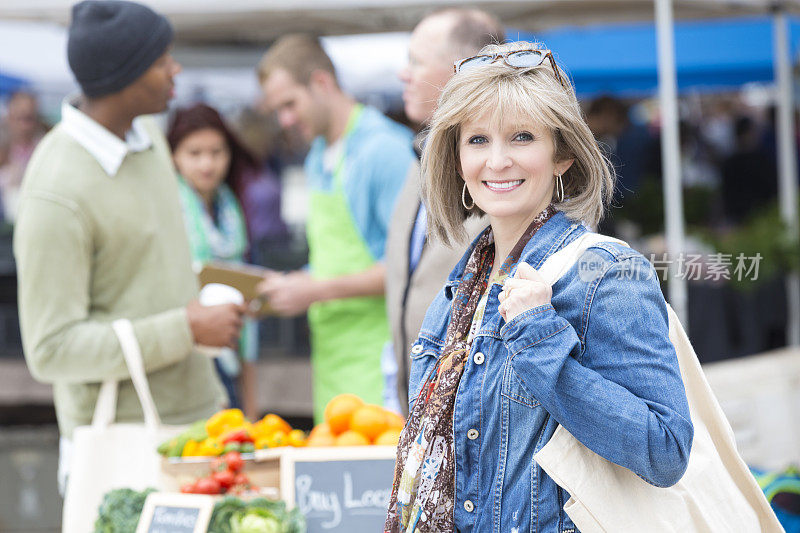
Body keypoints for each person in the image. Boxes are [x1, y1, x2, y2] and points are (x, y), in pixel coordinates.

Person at [385, 41, 693, 532]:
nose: (499, 161)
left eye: (522, 137)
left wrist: (540, 337)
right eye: (478, 140)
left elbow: (665, 450)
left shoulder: (606, 274)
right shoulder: (462, 287)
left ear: (562, 154)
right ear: (457, 158)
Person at [13, 0, 244, 492]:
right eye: (163, 60)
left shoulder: (150, 139)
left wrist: (211, 303)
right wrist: (185, 327)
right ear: (126, 74)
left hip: (198, 418)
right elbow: (50, 350)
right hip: (119, 439)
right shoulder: (55, 188)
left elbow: (146, 276)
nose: (174, 69)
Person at [256, 34, 416, 422]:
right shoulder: (316, 155)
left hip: (381, 363)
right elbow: (335, 259)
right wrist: (288, 286)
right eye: (278, 110)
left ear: (322, 83)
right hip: (332, 364)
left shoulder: (384, 151)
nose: (285, 121)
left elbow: (409, 266)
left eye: (290, 104)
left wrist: (315, 291)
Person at [386, 8, 504, 414]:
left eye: (416, 61)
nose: (404, 74)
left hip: (476, 424)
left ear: (460, 71)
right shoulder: (417, 158)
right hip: (417, 414)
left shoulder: (504, 178)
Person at [167, 103, 261, 419]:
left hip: (232, 354)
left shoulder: (232, 208)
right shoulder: (165, 212)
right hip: (185, 363)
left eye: (217, 152)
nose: (207, 163)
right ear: (173, 157)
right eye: (194, 153)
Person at [0, 91, 45, 222]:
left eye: (29, 118)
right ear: (9, 116)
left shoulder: (46, 145)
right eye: (20, 118)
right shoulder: (4, 145)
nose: (24, 125)